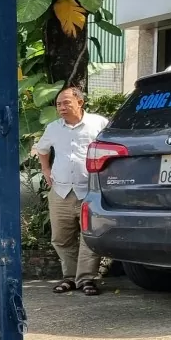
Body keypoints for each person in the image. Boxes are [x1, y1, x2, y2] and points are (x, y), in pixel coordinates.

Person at [33, 86, 109, 296]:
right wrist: (46, 169)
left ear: (80, 102)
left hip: (91, 190)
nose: (61, 107)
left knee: (89, 237)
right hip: (61, 191)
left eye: (66, 102)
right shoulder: (53, 128)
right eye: (58, 104)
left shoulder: (99, 123)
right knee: (60, 237)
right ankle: (69, 277)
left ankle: (86, 279)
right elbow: (42, 150)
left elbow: (110, 148)